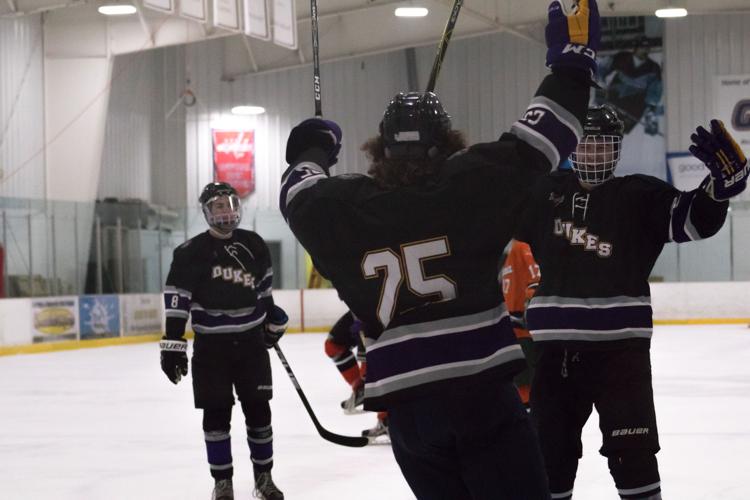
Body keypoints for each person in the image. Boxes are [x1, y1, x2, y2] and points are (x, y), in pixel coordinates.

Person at [279, 1, 601, 497]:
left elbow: (298, 194)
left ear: (379, 149)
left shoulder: (343, 208)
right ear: (446, 142)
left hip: (409, 414)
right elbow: (547, 136)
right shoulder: (470, 183)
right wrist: (572, 62)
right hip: (482, 397)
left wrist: (311, 150)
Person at [516, 107, 749, 500]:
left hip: (621, 355)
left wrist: (718, 187)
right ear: (572, 149)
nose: (591, 155)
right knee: (548, 458)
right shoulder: (543, 193)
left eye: (601, 146)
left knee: (633, 456)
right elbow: (487, 213)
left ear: (616, 150)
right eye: (584, 146)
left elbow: (695, 220)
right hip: (555, 356)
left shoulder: (640, 195)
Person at [159, 182, 287, 500]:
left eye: (231, 203)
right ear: (206, 212)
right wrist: (173, 343)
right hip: (211, 349)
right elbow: (178, 300)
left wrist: (272, 321)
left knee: (259, 412)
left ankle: (264, 478)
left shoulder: (255, 244)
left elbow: (264, 294)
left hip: (251, 346)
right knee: (216, 416)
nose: (226, 211)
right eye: (218, 206)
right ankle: (222, 482)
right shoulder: (190, 253)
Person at [325, 311, 390, 441]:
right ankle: (361, 389)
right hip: (358, 309)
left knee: (372, 370)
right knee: (333, 346)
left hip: (373, 308)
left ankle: (388, 420)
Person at [500, 239, 541, 407]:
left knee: (530, 392)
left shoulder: (522, 247)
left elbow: (534, 282)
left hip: (523, 332)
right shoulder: (515, 249)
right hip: (518, 331)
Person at [597, 36, 663, 135]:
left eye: (647, 48)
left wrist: (651, 115)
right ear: (635, 48)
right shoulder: (622, 57)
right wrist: (600, 87)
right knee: (606, 126)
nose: (645, 50)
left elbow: (655, 91)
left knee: (621, 130)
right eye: (642, 47)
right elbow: (602, 68)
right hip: (615, 97)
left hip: (635, 104)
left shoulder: (654, 68)